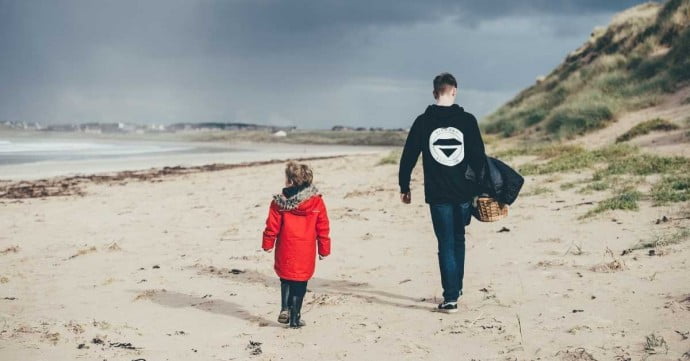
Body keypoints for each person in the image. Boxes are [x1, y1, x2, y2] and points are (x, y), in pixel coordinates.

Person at [398, 72, 486, 313]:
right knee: (459, 239)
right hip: (464, 193)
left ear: (435, 92)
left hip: (438, 194)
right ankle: (456, 288)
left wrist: (404, 186)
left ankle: (450, 297)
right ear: (454, 91)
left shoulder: (423, 121)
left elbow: (408, 157)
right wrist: (481, 190)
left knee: (445, 243)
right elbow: (479, 158)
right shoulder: (468, 120)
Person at [262, 161, 331, 328]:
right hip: (305, 251)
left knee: (285, 278)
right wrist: (324, 249)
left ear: (290, 181)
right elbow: (323, 228)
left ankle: (285, 307)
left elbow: (272, 226)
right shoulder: (317, 202)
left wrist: (268, 243)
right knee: (300, 282)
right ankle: (294, 318)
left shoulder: (279, 202)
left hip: (286, 248)